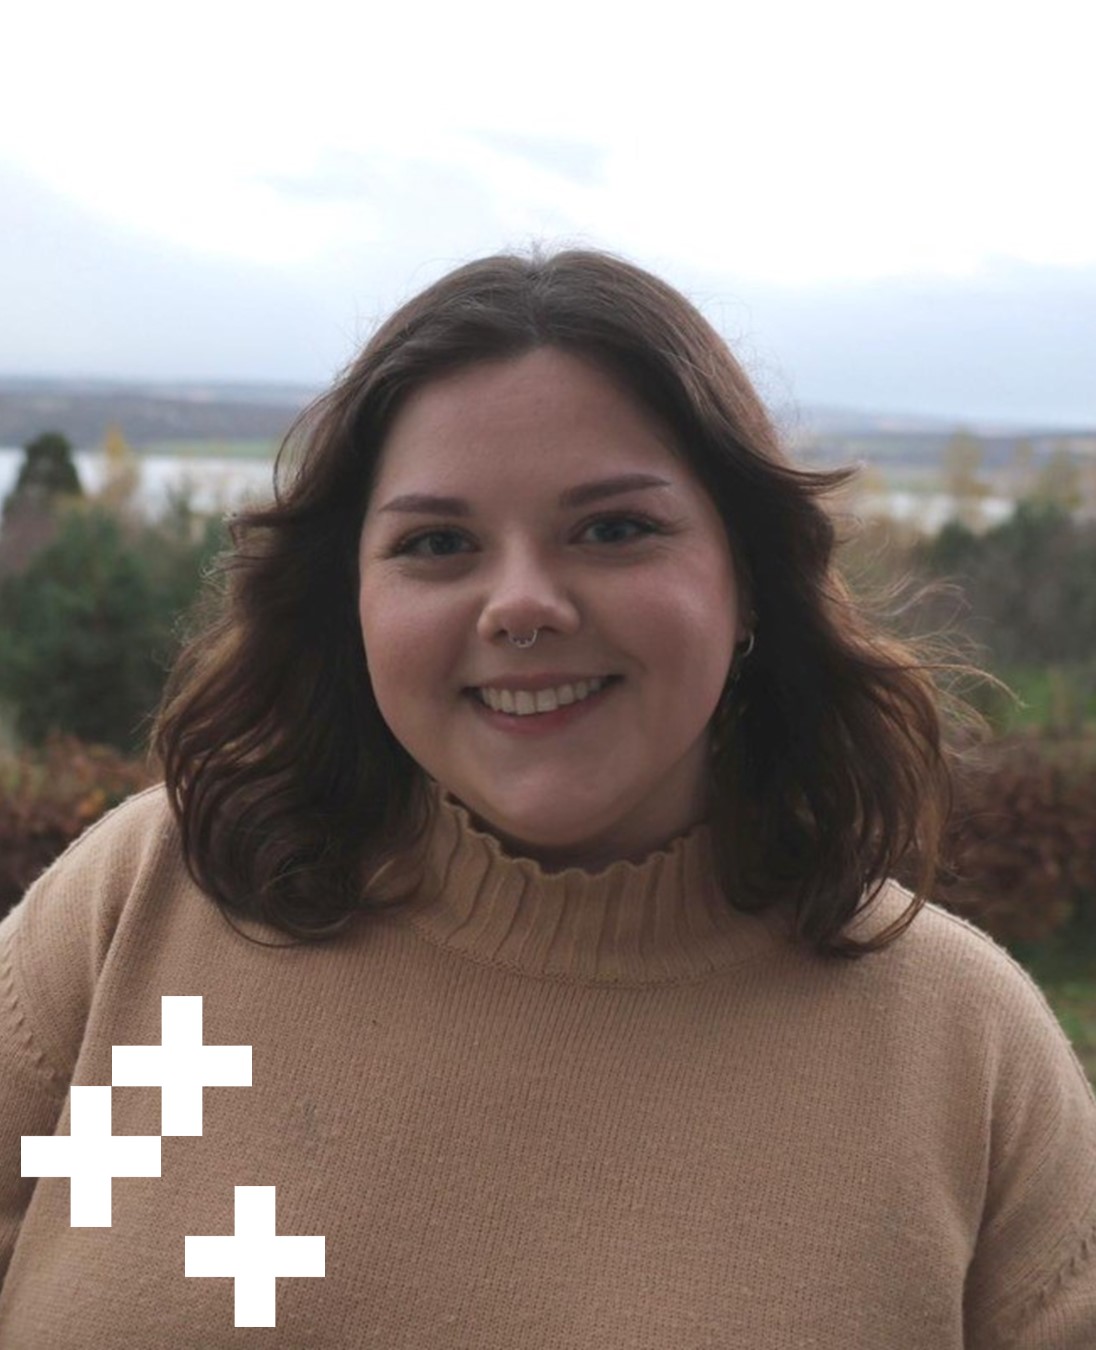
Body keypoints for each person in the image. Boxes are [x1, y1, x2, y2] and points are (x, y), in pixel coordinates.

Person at [1, 247, 1093, 1348]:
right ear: (354, 603)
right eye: (438, 544)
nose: (520, 604)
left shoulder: (960, 1056)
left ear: (748, 577)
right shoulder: (149, 906)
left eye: (614, 529)